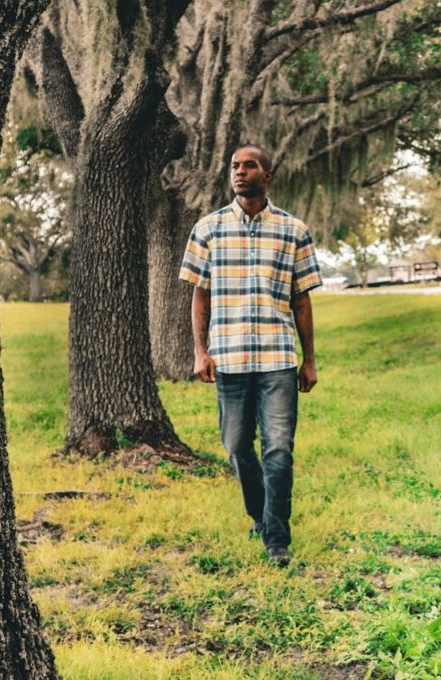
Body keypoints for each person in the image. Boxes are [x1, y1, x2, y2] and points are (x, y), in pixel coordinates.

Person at [178, 144, 322, 567]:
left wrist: (309, 359)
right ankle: (258, 516)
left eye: (250, 166)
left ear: (268, 174)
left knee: (278, 449)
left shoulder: (294, 230)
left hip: (278, 358)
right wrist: (200, 351)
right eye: (235, 166)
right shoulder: (209, 228)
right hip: (230, 358)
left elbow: (302, 300)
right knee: (238, 446)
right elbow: (199, 295)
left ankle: (276, 538)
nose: (240, 172)